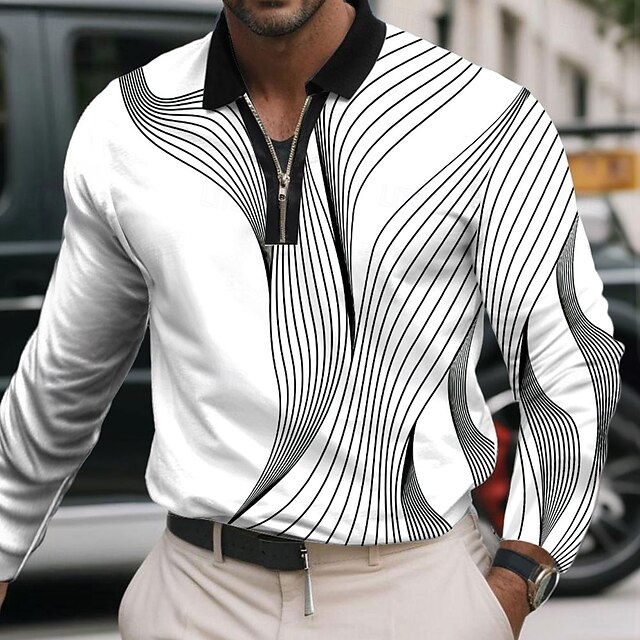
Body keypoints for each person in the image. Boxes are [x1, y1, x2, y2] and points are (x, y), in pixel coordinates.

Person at [0, 0, 624, 638]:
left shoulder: (486, 117)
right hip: (194, 595)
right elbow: (64, 379)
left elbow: (570, 359)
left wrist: (517, 579)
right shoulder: (128, 124)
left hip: (411, 592)